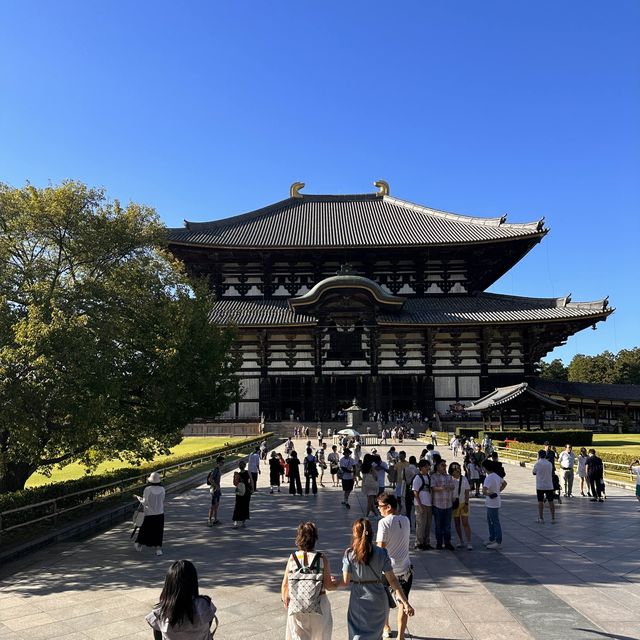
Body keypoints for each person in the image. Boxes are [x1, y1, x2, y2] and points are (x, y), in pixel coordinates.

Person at [340, 518, 414, 640]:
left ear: (354, 533)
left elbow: (344, 582)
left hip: (359, 600)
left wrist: (326, 583)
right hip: (379, 601)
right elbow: (393, 581)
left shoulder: (349, 554)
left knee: (357, 635)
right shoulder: (382, 552)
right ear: (372, 533)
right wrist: (405, 602)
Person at [281, 522, 337, 640]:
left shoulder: (293, 558)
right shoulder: (321, 558)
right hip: (319, 604)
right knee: (320, 636)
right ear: (314, 538)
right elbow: (328, 586)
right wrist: (335, 583)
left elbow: (285, 584)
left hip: (297, 604)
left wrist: (285, 599)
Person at [145, 560, 217, 640]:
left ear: (169, 584)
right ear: (193, 581)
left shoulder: (160, 612)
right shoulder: (204, 605)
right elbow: (208, 623)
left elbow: (158, 636)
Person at [376, 494, 413, 640]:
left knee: (384, 602)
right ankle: (401, 636)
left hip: (387, 571)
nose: (379, 509)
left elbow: (380, 548)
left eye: (380, 506)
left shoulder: (383, 523)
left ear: (388, 507)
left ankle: (386, 628)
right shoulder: (406, 520)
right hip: (405, 569)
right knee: (402, 602)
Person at [134, 471, 166, 556]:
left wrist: (138, 498)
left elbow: (145, 502)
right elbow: (162, 500)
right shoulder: (162, 489)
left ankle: (139, 544)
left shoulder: (147, 489)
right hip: (160, 513)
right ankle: (158, 549)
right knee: (158, 531)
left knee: (145, 530)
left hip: (149, 513)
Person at [430, 459, 455, 550]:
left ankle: (448, 542)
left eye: (445, 465)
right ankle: (439, 543)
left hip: (448, 504)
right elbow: (433, 488)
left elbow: (452, 486)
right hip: (438, 504)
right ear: (437, 466)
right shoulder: (433, 477)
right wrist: (442, 488)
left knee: (447, 526)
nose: (444, 467)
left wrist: (449, 487)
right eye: (442, 465)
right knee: (438, 525)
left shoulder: (449, 477)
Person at [482, 459, 507, 550]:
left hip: (492, 503)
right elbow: (504, 483)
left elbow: (484, 491)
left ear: (486, 468)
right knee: (491, 521)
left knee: (494, 522)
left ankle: (498, 541)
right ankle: (492, 538)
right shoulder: (496, 476)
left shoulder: (488, 478)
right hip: (495, 502)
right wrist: (498, 491)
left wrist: (490, 494)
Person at [449, 461, 472, 550]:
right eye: (455, 470)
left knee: (465, 523)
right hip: (454, 504)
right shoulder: (450, 479)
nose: (457, 471)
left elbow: (467, 492)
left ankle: (469, 542)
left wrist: (466, 503)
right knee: (457, 523)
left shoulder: (464, 479)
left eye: (458, 469)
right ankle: (460, 540)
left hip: (463, 503)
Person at [412, 459, 433, 550]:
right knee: (421, 524)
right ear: (421, 467)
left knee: (428, 524)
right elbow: (415, 492)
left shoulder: (428, 477)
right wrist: (420, 505)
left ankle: (426, 542)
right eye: (426, 467)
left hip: (428, 503)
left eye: (428, 466)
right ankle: (419, 543)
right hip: (421, 503)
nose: (428, 468)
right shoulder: (418, 477)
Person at [533, 450, 556, 524]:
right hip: (549, 485)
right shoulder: (549, 464)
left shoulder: (537, 464)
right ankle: (553, 518)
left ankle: (541, 518)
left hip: (540, 485)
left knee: (540, 502)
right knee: (551, 501)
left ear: (539, 455)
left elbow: (534, 472)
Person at [232, 460, 253, 528]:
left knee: (237, 506)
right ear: (245, 466)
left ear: (239, 467)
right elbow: (251, 481)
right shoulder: (248, 472)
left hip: (239, 492)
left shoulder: (237, 474)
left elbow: (235, 484)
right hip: (246, 491)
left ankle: (235, 522)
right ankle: (243, 522)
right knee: (245, 506)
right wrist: (252, 489)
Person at [206, 456, 224, 526]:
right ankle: (209, 520)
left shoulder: (218, 469)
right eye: (222, 462)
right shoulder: (216, 469)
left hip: (218, 489)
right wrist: (216, 486)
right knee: (213, 505)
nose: (223, 463)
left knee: (217, 505)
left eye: (223, 462)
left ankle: (215, 519)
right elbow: (210, 479)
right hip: (214, 489)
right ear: (218, 462)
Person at [402, 455, 418, 525]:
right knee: (416, 509)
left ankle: (409, 523)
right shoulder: (417, 470)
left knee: (408, 509)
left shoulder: (405, 469)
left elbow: (402, 478)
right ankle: (416, 524)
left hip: (407, 489)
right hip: (415, 489)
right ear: (415, 462)